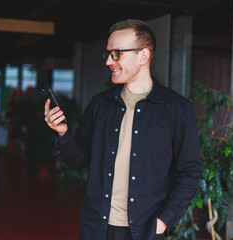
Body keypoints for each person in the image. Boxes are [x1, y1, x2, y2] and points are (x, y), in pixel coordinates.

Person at [44, 19, 203, 240]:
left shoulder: (176, 109)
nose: (109, 61)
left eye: (117, 53)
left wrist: (163, 220)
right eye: (108, 54)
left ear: (143, 56)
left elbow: (190, 171)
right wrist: (62, 133)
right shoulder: (100, 104)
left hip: (145, 231)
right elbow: (77, 160)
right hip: (97, 228)